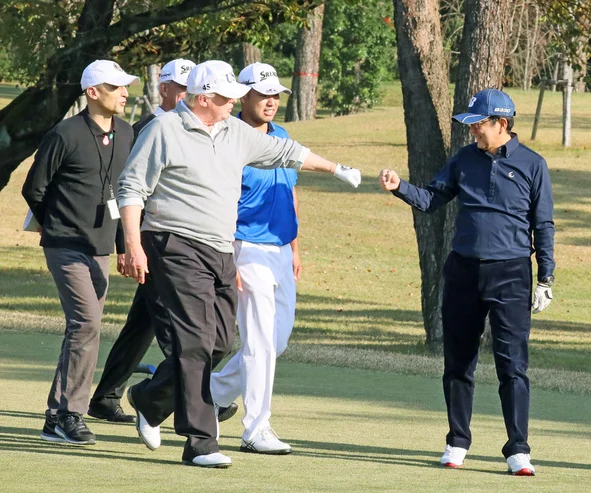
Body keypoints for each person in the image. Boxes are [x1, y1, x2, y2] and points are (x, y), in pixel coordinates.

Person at [117, 60, 361, 468]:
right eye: (228, 98)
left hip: (220, 249)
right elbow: (131, 186)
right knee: (195, 341)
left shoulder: (235, 133)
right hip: (174, 243)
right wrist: (132, 243)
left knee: (219, 343)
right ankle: (200, 442)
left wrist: (337, 169)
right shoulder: (165, 131)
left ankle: (150, 397)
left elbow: (287, 152)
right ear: (204, 98)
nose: (234, 103)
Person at [379, 88, 555, 476]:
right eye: (472, 125)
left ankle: (518, 450)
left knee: (513, 366)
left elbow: (543, 224)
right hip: (463, 271)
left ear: (502, 124)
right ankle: (457, 441)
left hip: (511, 274)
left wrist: (545, 276)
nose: (473, 131)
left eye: (478, 124)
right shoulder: (463, 160)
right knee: (458, 363)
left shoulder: (532, 165)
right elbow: (430, 198)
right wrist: (399, 187)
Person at [22, 60, 139, 445]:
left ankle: (55, 416)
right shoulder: (65, 133)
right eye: (116, 87)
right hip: (65, 246)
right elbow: (34, 189)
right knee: (87, 325)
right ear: (93, 92)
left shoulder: (125, 133)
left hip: (102, 248)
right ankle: (72, 413)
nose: (124, 93)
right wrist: (57, 226)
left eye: (125, 87)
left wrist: (124, 246)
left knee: (81, 330)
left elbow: (125, 195)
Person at [87, 58, 196, 424]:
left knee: (142, 324)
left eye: (192, 87)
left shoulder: (195, 128)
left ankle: (105, 397)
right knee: (171, 324)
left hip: (176, 240)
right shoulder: (146, 128)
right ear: (163, 89)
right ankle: (193, 394)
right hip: (151, 241)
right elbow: (124, 191)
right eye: (180, 87)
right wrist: (126, 243)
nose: (187, 94)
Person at [209, 63, 299, 455]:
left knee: (274, 342)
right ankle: (255, 429)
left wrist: (295, 248)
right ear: (241, 96)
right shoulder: (230, 139)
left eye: (275, 94)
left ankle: (206, 394)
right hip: (246, 247)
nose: (271, 101)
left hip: (281, 249)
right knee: (259, 342)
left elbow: (291, 194)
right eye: (263, 94)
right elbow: (221, 203)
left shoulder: (281, 136)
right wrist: (228, 257)